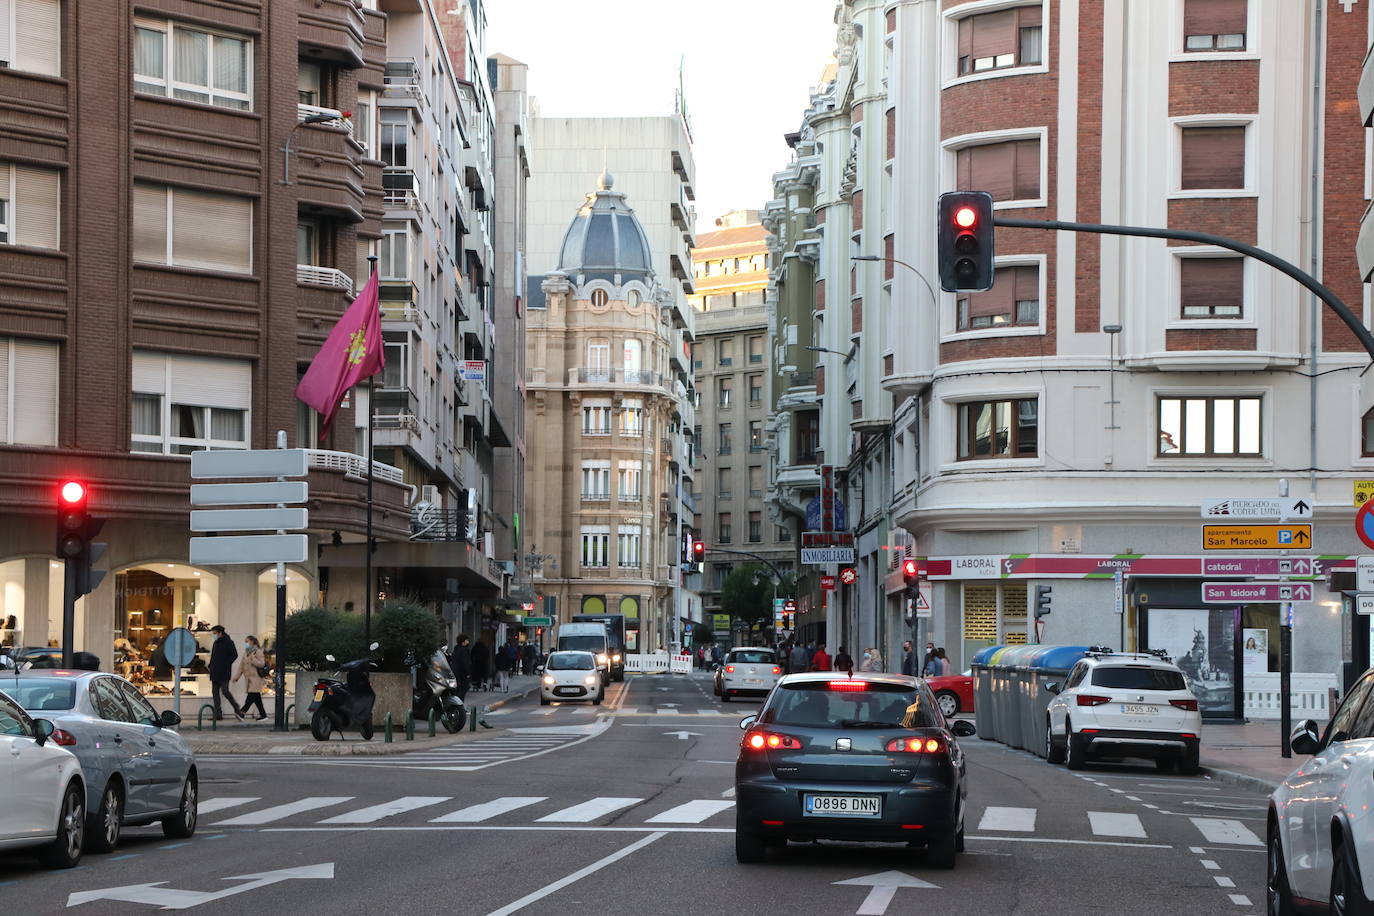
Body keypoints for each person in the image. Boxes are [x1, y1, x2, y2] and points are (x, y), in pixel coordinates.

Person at [208, 625, 242, 721]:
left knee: (225, 691)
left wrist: (225, 664)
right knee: (215, 693)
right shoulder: (216, 643)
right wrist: (210, 665)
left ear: (220, 633)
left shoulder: (228, 642)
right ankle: (218, 714)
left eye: (215, 633)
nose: (213, 635)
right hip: (215, 671)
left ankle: (236, 706)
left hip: (224, 672)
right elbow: (213, 656)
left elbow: (234, 655)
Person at [233, 635, 268, 720]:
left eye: (247, 641)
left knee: (251, 696)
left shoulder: (258, 652)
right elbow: (241, 667)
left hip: (256, 678)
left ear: (252, 642)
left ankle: (242, 712)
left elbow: (262, 664)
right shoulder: (246, 653)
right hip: (248, 679)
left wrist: (253, 659)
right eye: (245, 642)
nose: (245, 644)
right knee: (256, 698)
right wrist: (236, 677)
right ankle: (263, 715)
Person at [448, 635, 472, 700]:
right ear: (463, 642)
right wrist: (468, 673)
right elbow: (465, 662)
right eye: (467, 640)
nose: (468, 642)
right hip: (462, 674)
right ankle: (460, 703)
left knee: (457, 690)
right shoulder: (465, 650)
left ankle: (456, 702)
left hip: (455, 672)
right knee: (463, 689)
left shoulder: (456, 649)